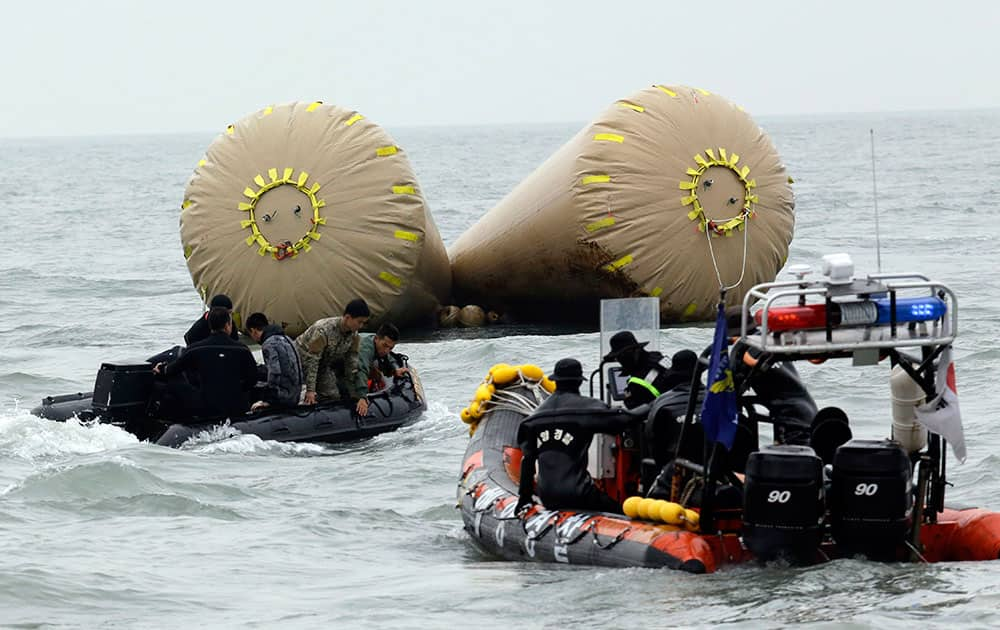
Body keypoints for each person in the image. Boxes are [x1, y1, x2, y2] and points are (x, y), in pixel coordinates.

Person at [516, 358, 640, 514]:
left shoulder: (534, 418)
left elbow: (527, 461)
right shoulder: (587, 409)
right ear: (579, 382)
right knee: (622, 512)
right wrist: (652, 406)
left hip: (547, 497)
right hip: (579, 494)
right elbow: (625, 420)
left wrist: (524, 498)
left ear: (555, 381)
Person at [152, 306, 258, 420]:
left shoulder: (195, 349)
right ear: (228, 325)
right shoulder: (242, 349)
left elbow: (172, 370)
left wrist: (162, 369)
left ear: (210, 326)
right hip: (236, 407)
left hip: (206, 408)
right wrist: (237, 389)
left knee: (175, 378)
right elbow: (253, 379)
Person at [295, 298, 370, 416]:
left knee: (333, 395)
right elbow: (312, 361)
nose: (361, 326)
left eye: (363, 323)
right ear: (348, 318)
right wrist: (310, 390)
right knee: (304, 393)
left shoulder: (354, 336)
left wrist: (358, 395)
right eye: (359, 322)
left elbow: (352, 364)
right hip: (299, 363)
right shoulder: (323, 330)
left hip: (323, 365)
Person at [245, 312, 303, 411]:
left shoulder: (269, 344)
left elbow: (275, 372)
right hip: (296, 393)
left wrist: (268, 400)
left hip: (284, 397)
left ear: (253, 330)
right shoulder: (287, 338)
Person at [603, 331, 674, 409]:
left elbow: (632, 413)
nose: (619, 360)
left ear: (634, 351)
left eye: (620, 356)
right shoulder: (659, 359)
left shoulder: (636, 384)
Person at [355, 323, 409, 394]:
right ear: (377, 338)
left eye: (390, 348)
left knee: (377, 375)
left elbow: (386, 360)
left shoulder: (379, 345)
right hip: (341, 366)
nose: (386, 351)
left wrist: (394, 371)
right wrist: (362, 396)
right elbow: (361, 370)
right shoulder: (365, 349)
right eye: (385, 345)